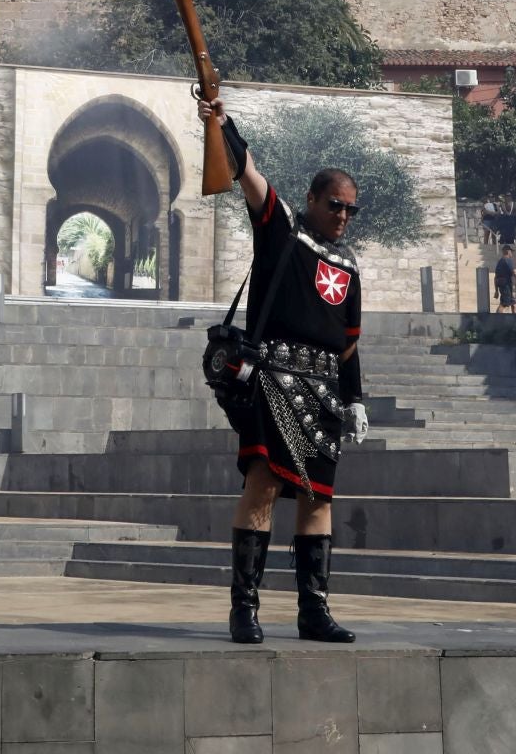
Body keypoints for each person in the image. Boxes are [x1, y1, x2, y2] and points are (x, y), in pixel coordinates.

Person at [198, 96, 362, 646]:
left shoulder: (348, 267)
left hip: (324, 391)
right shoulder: (282, 229)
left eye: (349, 210)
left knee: (319, 501)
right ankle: (244, 609)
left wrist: (356, 399)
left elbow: (349, 346)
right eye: (335, 204)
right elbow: (247, 172)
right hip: (273, 376)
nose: (341, 215)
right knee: (264, 486)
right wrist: (222, 121)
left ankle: (313, 612)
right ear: (313, 198)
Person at [494, 246, 516, 314]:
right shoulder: (507, 260)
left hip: (503, 285)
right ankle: (496, 319)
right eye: (511, 251)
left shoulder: (500, 261)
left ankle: (515, 320)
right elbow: (515, 273)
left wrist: (496, 290)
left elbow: (495, 277)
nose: (512, 253)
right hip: (506, 285)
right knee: (504, 304)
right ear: (508, 251)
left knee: (513, 302)